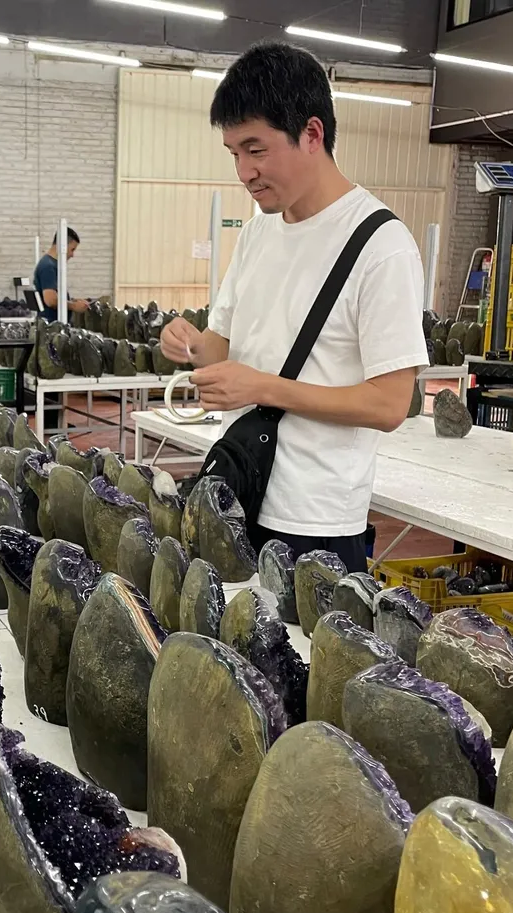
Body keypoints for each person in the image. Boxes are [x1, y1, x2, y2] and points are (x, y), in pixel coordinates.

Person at [160, 43, 428, 573]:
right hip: (241, 491)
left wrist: (260, 387)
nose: (243, 171)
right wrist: (191, 342)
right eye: (233, 153)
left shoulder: (380, 245)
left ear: (311, 134)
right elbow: (223, 348)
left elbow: (391, 404)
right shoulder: (260, 231)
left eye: (255, 150)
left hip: (316, 522)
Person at [33, 229, 91, 323]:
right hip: (51, 327)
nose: (72, 255)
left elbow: (55, 295)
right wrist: (73, 306)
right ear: (62, 246)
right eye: (72, 249)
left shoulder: (51, 264)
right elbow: (50, 300)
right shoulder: (48, 267)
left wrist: (73, 301)